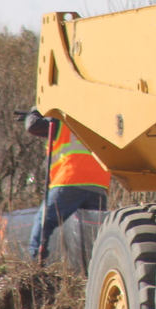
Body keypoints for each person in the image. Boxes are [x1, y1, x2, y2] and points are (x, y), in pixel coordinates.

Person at [25, 112, 110, 263]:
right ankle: (94, 272)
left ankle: (35, 264)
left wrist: (36, 111)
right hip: (99, 183)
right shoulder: (102, 120)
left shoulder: (60, 120)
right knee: (92, 235)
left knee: (44, 221)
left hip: (71, 179)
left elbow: (32, 125)